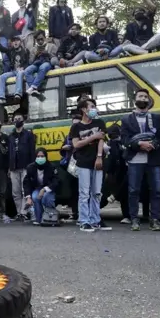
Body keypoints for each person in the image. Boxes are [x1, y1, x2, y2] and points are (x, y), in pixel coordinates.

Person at [120, 89, 160, 231]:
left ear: (149, 100)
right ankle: (134, 219)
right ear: (135, 99)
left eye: (146, 97)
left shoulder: (156, 118)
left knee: (156, 190)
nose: (143, 98)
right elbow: (124, 139)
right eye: (140, 96)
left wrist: (153, 145)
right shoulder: (126, 119)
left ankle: (155, 219)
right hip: (135, 159)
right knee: (133, 190)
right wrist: (139, 144)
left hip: (153, 159)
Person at [69, 98, 107, 232]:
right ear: (84, 110)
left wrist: (99, 156)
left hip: (97, 161)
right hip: (83, 163)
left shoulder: (99, 122)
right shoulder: (76, 127)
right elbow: (76, 144)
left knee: (97, 192)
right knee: (84, 193)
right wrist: (93, 137)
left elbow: (101, 139)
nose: (94, 109)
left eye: (94, 106)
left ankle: (95, 219)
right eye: (91, 106)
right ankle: (84, 221)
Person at [8, 112, 36, 221]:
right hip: (14, 167)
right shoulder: (11, 136)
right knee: (15, 191)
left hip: (26, 166)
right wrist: (9, 168)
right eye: (15, 119)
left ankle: (24, 212)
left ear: (23, 121)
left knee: (25, 191)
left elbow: (32, 151)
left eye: (19, 118)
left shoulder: (29, 135)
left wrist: (32, 166)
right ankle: (19, 212)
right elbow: (9, 153)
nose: (17, 121)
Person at [24, 148, 59, 225]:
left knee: (47, 197)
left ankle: (51, 218)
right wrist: (28, 197)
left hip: (49, 188)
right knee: (35, 197)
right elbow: (27, 183)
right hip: (37, 188)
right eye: (38, 156)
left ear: (46, 156)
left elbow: (55, 181)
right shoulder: (30, 167)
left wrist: (44, 189)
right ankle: (39, 219)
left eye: (42, 156)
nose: (40, 158)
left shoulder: (51, 167)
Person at [0, 35, 29, 105]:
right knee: (2, 76)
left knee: (20, 73)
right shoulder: (10, 51)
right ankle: (1, 97)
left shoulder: (25, 51)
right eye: (13, 41)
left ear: (20, 42)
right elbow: (1, 48)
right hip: (13, 71)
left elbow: (28, 63)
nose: (15, 42)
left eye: (17, 40)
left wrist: (23, 67)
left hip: (22, 71)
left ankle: (18, 93)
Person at [25, 30, 55, 99]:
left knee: (43, 67)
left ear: (45, 38)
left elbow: (55, 59)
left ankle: (33, 87)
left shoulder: (51, 46)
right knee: (27, 70)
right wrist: (35, 55)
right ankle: (34, 90)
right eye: (38, 40)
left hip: (47, 63)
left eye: (42, 39)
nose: (40, 41)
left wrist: (47, 54)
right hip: (36, 64)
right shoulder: (33, 49)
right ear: (36, 40)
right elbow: (30, 62)